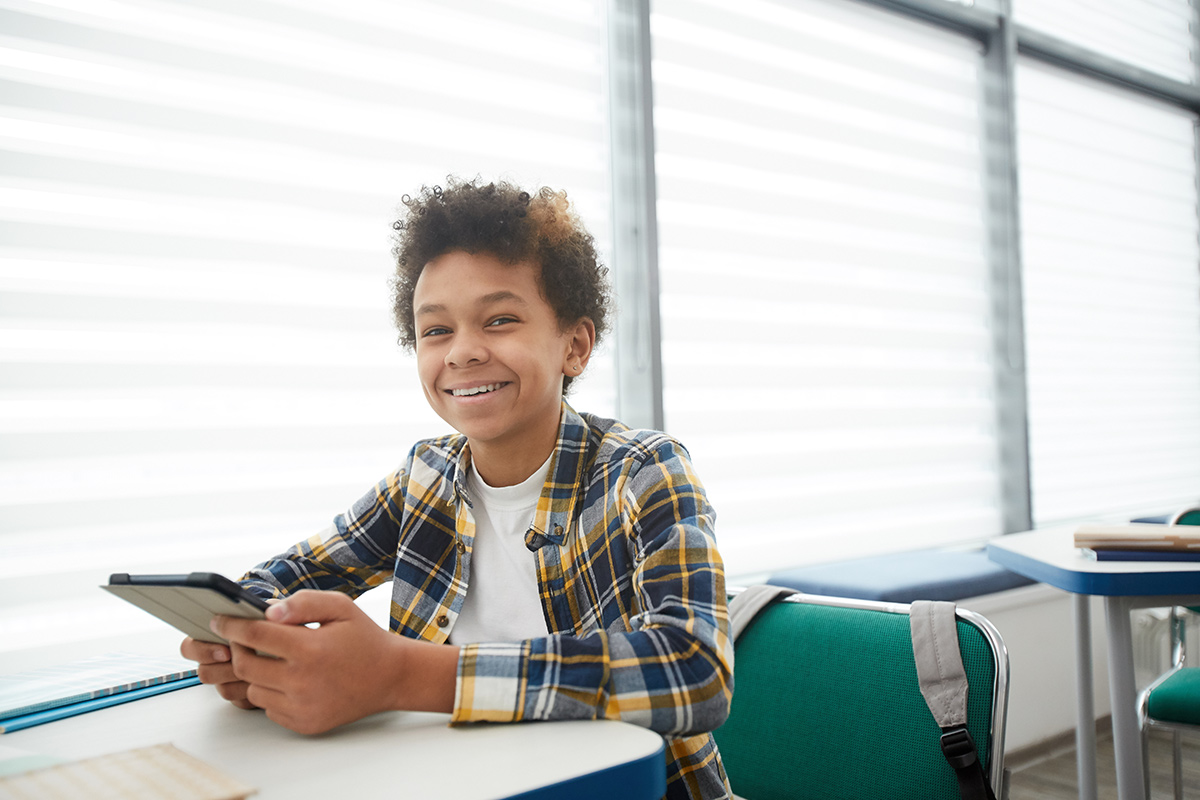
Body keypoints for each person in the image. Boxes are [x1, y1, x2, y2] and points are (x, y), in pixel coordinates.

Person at [180, 176, 734, 800]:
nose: (463, 352)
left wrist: (402, 676)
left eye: (499, 320)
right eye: (435, 330)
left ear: (574, 345)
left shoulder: (644, 472)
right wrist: (255, 644)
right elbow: (282, 579)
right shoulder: (424, 479)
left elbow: (695, 673)